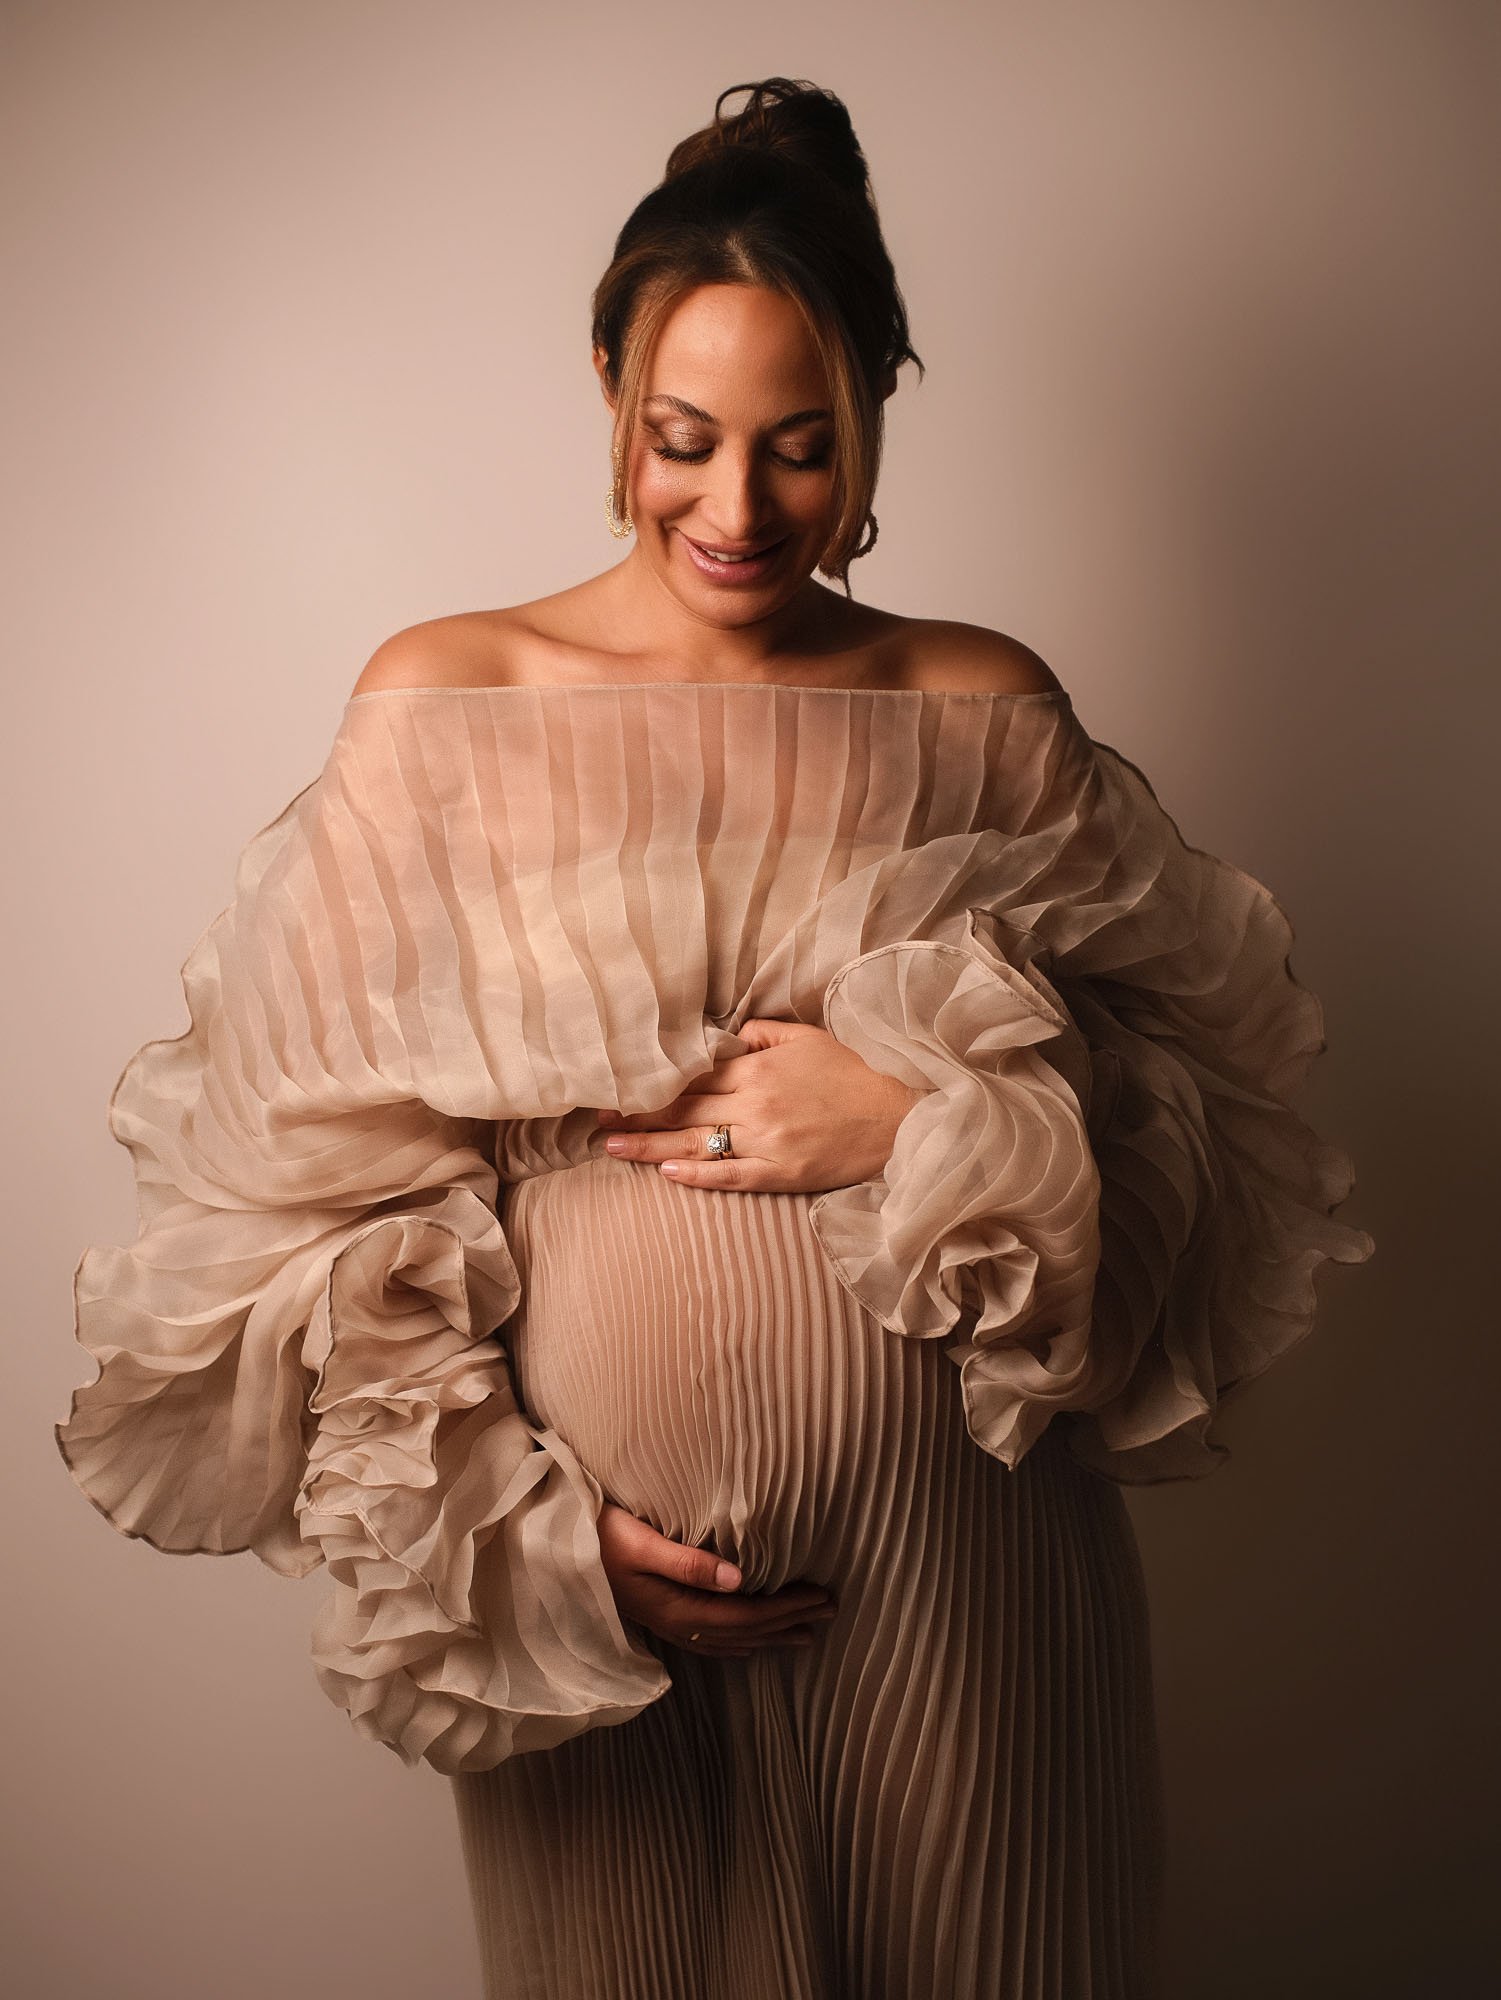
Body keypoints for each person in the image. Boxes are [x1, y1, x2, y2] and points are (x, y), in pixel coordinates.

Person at [55, 75, 1375, 2000]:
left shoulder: (979, 704)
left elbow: (1204, 1132)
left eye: (799, 447)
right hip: (593, 1612)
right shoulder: (448, 704)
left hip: (969, 1587)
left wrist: (932, 1109)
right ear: (608, 395)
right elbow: (299, 1199)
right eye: (682, 440)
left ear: (872, 426)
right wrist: (526, 1532)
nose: (737, 509)